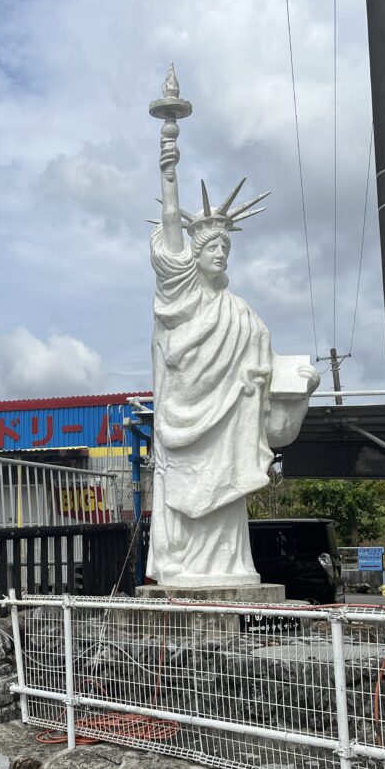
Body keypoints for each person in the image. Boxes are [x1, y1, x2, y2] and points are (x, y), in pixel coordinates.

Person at [147, 139, 320, 587]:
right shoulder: (180, 299)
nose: (220, 254)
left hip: (231, 424)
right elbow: (170, 229)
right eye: (210, 249)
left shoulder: (241, 312)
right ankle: (182, 562)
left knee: (225, 499)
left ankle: (227, 566)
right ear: (193, 257)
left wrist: (302, 383)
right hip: (185, 419)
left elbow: (267, 363)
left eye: (225, 248)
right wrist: (169, 173)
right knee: (186, 493)